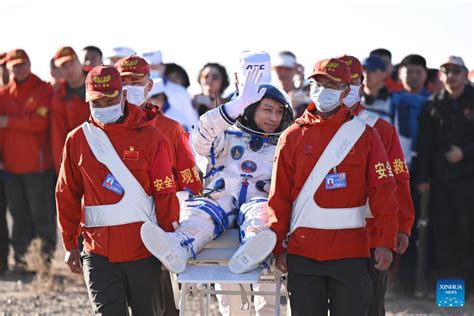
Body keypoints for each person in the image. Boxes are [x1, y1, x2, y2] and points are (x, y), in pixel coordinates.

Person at [141, 68, 293, 315]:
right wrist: (235, 106)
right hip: (220, 210)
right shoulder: (227, 136)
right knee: (203, 210)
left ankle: (254, 247)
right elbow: (201, 137)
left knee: (262, 213)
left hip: (258, 215)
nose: (273, 117)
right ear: (251, 108)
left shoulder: (284, 144)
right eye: (267, 109)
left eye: (278, 112)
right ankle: (178, 248)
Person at [269, 57, 398, 316]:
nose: (323, 89)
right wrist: (278, 246)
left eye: (331, 84)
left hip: (350, 253)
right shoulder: (291, 136)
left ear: (345, 90)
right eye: (318, 82)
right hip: (302, 252)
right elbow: (279, 196)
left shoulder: (366, 134)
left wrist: (386, 241)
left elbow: (384, 191)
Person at [56, 65, 180, 315]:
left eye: (109, 99)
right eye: (96, 101)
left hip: (145, 251)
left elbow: (164, 193)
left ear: (123, 95)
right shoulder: (77, 140)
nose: (102, 106)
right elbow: (66, 193)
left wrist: (169, 245)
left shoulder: (152, 138)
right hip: (98, 252)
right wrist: (69, 243)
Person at [340, 55, 414, 315]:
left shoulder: (381, 129)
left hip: (370, 235)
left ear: (361, 84)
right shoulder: (304, 129)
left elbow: (398, 178)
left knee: (370, 305)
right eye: (335, 83)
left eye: (350, 82)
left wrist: (402, 226)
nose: (343, 88)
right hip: (319, 238)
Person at [417, 56, 474, 291]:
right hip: (440, 180)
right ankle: (450, 294)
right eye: (446, 70)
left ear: (464, 73)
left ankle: (469, 290)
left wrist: (465, 152)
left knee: (467, 233)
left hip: (469, 179)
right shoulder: (432, 104)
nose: (451, 75)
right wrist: (422, 178)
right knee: (443, 235)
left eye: (456, 70)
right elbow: (424, 144)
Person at [0, 49, 56, 271]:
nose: (19, 69)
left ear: (30, 64)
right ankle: (22, 260)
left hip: (38, 168)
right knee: (19, 215)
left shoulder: (43, 90)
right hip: (11, 169)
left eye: (22, 64)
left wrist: (8, 121)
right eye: (14, 66)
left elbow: (40, 123)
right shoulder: (5, 94)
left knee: (42, 214)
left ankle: (44, 262)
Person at [115, 55, 202, 195]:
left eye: (135, 82)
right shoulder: (102, 128)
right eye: (123, 82)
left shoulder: (171, 129)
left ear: (149, 86)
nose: (129, 88)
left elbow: (189, 182)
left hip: (161, 212)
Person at [51, 46, 90, 173]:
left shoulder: (99, 83)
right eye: (63, 66)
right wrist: (62, 171)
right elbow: (58, 137)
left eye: (71, 63)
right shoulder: (59, 98)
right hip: (78, 161)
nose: (69, 69)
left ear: (79, 62)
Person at [142, 50, 198, 131]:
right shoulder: (134, 90)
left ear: (163, 67)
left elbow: (193, 123)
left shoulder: (180, 91)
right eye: (148, 67)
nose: (151, 69)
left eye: (154, 67)